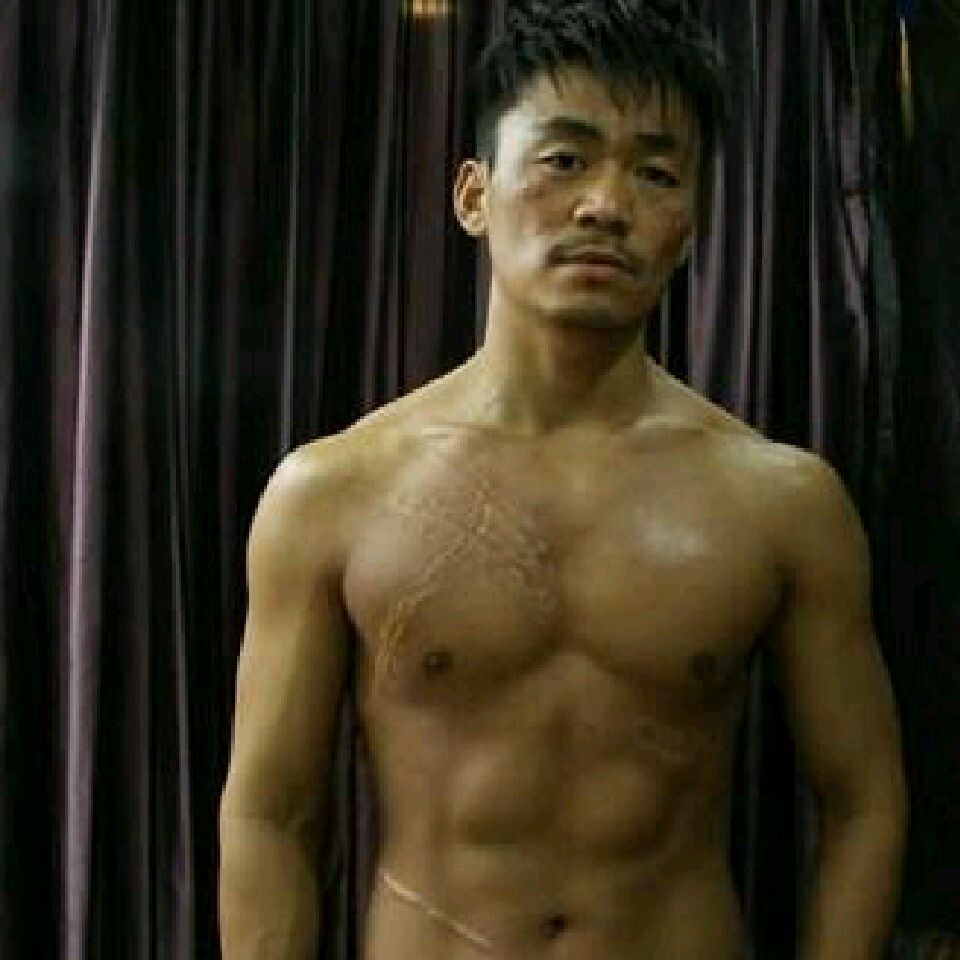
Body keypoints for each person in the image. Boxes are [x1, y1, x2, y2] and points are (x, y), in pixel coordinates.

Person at [217, 2, 908, 958]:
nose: (606, 205)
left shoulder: (780, 504)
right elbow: (268, 813)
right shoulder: (332, 493)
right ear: (473, 195)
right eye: (565, 159)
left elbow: (864, 802)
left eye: (656, 173)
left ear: (690, 228)